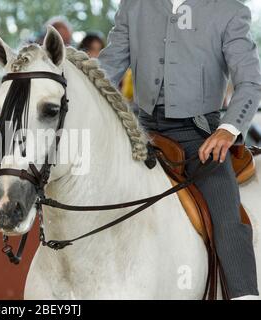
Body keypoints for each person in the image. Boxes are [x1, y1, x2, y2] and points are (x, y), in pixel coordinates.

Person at [98, 0, 261, 300]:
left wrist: (227, 129)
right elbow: (105, 71)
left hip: (199, 134)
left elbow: (250, 83)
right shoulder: (134, 6)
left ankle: (244, 295)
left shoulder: (229, 10)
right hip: (140, 129)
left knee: (226, 219)